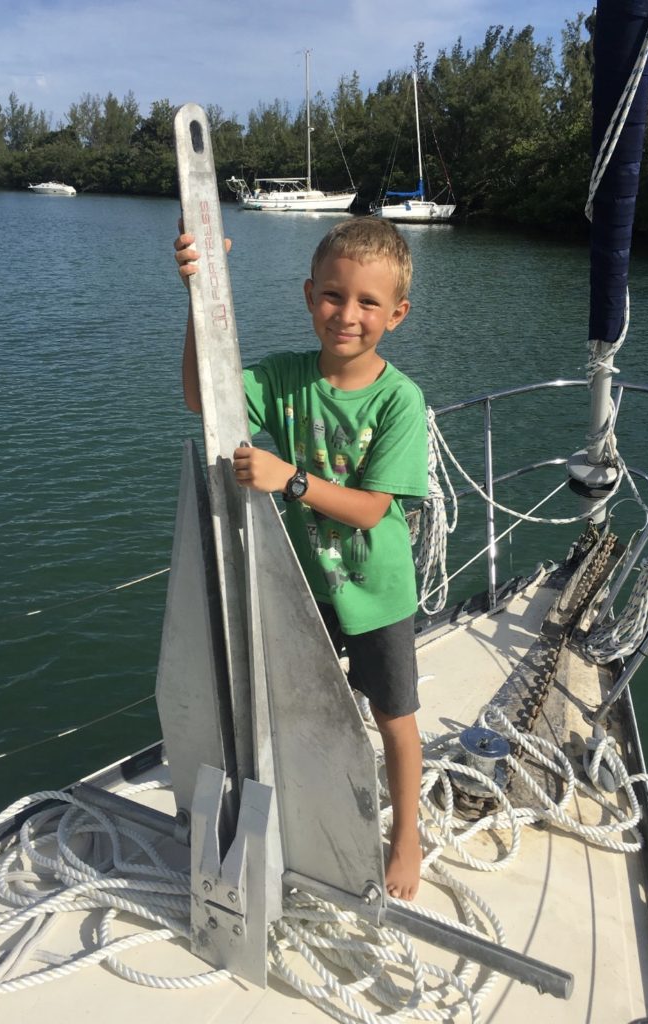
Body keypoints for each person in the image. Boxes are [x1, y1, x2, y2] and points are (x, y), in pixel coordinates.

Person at [175, 217, 428, 900]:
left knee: (393, 718)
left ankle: (405, 835)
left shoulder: (399, 400)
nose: (347, 315)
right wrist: (199, 301)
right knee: (303, 709)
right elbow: (205, 400)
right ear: (308, 292)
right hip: (302, 588)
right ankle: (303, 807)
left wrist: (290, 478)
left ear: (396, 315)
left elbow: (373, 508)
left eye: (368, 303)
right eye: (333, 295)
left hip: (376, 593)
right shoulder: (285, 378)